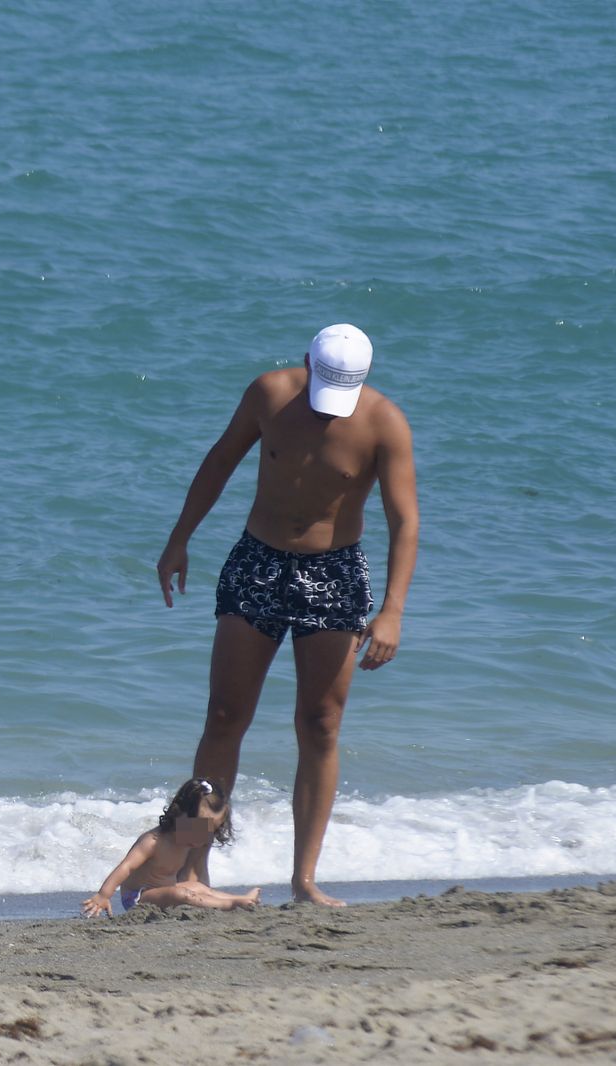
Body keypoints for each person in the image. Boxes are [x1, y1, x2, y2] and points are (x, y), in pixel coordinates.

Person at [155, 323, 419, 907]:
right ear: (306, 362)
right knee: (225, 715)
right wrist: (179, 540)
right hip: (257, 562)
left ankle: (303, 880)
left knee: (320, 723)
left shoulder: (383, 422)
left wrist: (393, 611)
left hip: (337, 573)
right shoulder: (269, 394)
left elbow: (405, 521)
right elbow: (220, 461)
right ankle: (194, 871)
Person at [81, 777, 260, 915]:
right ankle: (231, 905)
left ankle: (242, 899)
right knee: (183, 895)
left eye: (209, 831)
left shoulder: (187, 839)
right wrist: (104, 895)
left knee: (198, 887)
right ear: (179, 812)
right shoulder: (153, 841)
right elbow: (126, 867)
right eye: (198, 826)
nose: (202, 837)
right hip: (139, 897)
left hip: (167, 890)